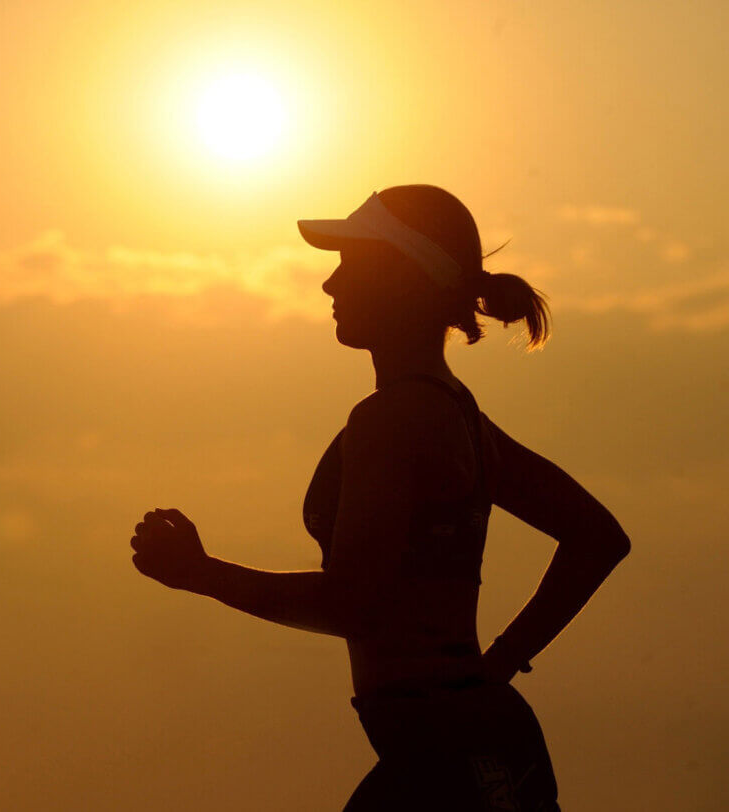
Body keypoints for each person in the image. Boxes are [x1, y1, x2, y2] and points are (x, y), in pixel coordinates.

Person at [128, 184, 631, 810]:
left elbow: (353, 604)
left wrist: (202, 575)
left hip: (449, 760)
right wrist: (500, 663)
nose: (329, 286)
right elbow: (598, 537)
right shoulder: (458, 414)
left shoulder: (392, 419)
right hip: (470, 748)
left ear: (404, 278)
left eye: (350, 264)